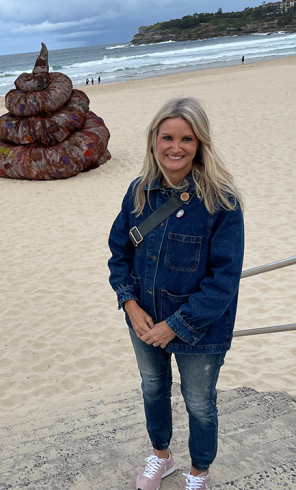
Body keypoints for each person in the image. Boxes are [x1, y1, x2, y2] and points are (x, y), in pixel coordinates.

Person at [108, 97, 244, 490]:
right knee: (153, 389)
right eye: (167, 137)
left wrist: (176, 326)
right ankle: (162, 457)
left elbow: (224, 281)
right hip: (144, 321)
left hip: (201, 330)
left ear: (200, 143)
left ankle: (198, 473)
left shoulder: (222, 201)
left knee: (200, 402)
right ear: (154, 140)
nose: (175, 147)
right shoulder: (138, 193)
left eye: (187, 139)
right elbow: (119, 255)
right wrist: (130, 305)